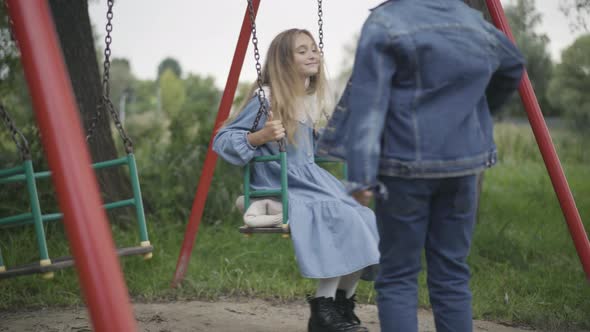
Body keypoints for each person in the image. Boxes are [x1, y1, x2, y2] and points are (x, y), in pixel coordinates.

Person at [317, 1, 525, 331]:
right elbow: (513, 64)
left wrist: (360, 179)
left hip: (403, 168)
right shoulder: (471, 20)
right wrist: (475, 112)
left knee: (398, 276)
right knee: (452, 275)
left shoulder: (386, 22)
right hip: (461, 166)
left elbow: (369, 109)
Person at [213, 28, 379, 332]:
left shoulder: (305, 101)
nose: (312, 54)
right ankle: (322, 312)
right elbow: (223, 140)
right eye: (302, 51)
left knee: (364, 217)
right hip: (281, 183)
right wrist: (259, 136)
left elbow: (309, 149)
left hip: (311, 182)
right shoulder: (266, 98)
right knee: (337, 216)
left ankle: (341, 306)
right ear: (283, 61)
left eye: (313, 49)